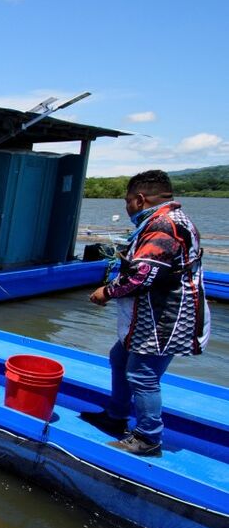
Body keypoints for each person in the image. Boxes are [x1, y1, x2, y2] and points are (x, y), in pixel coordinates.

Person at [82, 170, 209, 456]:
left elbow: (142, 275)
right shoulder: (163, 221)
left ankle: (148, 437)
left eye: (128, 201)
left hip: (165, 318)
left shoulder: (164, 226)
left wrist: (107, 292)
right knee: (120, 357)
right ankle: (116, 416)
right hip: (147, 314)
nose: (126, 208)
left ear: (139, 199)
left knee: (143, 374)